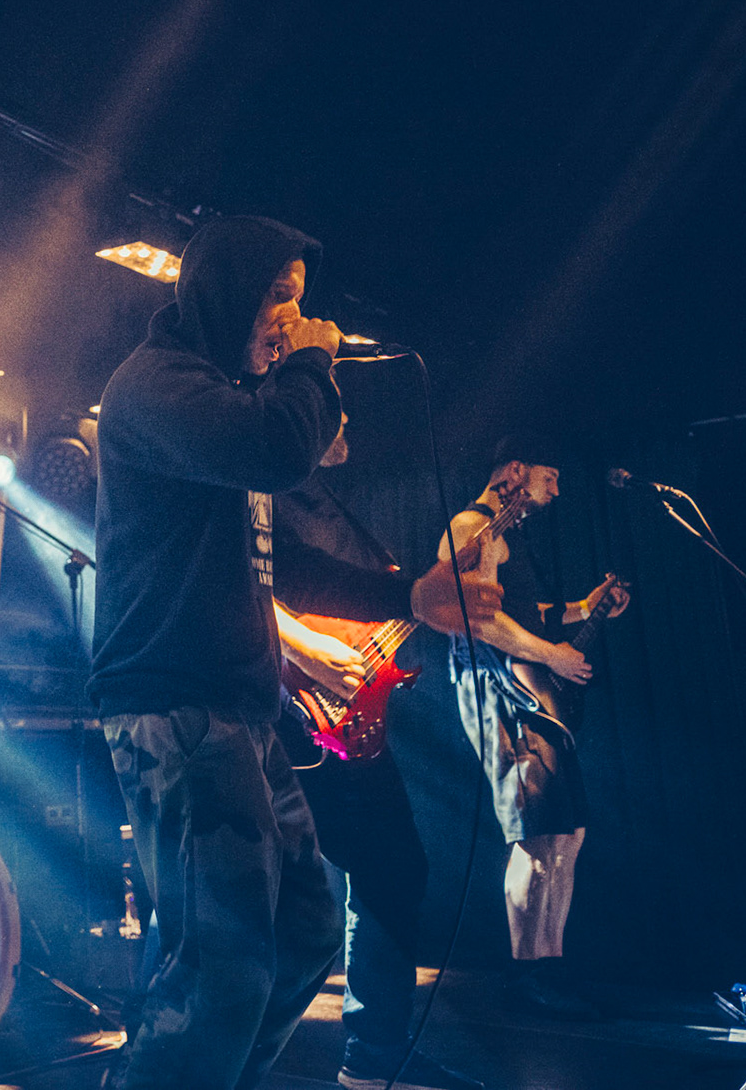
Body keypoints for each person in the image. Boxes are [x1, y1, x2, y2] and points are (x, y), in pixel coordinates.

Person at [90, 214, 352, 1090]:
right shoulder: (158, 386)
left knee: (308, 931)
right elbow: (279, 449)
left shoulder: (223, 403)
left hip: (241, 715)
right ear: (228, 291)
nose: (293, 317)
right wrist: (315, 367)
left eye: (301, 301)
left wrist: (404, 596)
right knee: (225, 967)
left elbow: (285, 558)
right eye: (279, 296)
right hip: (177, 707)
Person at [270, 416, 498, 1090]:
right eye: (334, 403)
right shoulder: (258, 474)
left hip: (347, 708)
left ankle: (375, 1054)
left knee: (395, 867)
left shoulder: (318, 496)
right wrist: (304, 650)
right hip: (286, 704)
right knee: (255, 893)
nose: (346, 420)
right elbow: (240, 578)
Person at [437, 439, 625, 1021]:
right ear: (514, 470)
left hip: (527, 690)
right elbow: (481, 622)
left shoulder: (505, 534)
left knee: (566, 837)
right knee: (534, 835)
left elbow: (525, 611)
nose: (557, 488)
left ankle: (551, 967)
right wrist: (558, 656)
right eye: (551, 475)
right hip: (498, 688)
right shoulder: (471, 526)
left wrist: (582, 606)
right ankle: (528, 975)